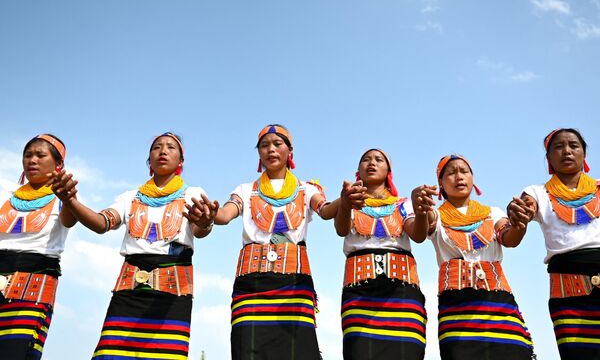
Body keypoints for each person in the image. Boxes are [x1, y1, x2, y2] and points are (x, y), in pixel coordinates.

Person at [50, 132, 216, 360]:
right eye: (157, 147)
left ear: (181, 162)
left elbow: (199, 230)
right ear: (149, 160)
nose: (163, 151)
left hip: (173, 291)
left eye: (170, 147)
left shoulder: (193, 193)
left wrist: (206, 222)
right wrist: (70, 201)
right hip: (129, 291)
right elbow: (102, 223)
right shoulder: (130, 197)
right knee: (112, 353)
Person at [214, 124, 338, 360]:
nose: (271, 149)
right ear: (259, 153)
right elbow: (224, 215)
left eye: (277, 144)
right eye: (264, 145)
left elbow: (326, 210)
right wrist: (210, 213)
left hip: (293, 281)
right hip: (251, 282)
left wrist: (345, 199)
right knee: (248, 348)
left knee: (298, 350)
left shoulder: (306, 189)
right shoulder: (246, 190)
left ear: (290, 150)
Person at [415, 154, 534, 360]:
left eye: (464, 171)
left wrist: (520, 225)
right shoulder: (437, 215)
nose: (459, 177)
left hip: (497, 301)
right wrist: (421, 208)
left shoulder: (492, 213)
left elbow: (510, 239)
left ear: (472, 177)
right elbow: (425, 225)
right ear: (441, 184)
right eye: (451, 173)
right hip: (457, 307)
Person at [508, 128, 600, 360]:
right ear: (548, 159)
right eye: (558, 147)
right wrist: (518, 212)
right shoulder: (537, 192)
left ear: (584, 154)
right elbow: (525, 208)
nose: (566, 151)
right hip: (567, 283)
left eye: (573, 145)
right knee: (578, 353)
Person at [334, 149, 429, 360]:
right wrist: (345, 203)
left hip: (402, 289)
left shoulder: (402, 204)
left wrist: (421, 212)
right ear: (358, 170)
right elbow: (341, 230)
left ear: (388, 171)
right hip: (359, 289)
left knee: (406, 352)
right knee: (359, 352)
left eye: (379, 160)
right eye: (366, 159)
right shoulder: (351, 202)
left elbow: (418, 235)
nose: (372, 163)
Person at [0, 134, 75, 359]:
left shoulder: (64, 198)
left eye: (40, 155)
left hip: (34, 282)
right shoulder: (7, 194)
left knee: (17, 350)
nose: (32, 160)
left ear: (58, 164)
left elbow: (70, 221)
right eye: (28, 155)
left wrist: (69, 199)